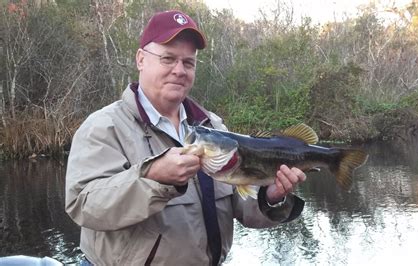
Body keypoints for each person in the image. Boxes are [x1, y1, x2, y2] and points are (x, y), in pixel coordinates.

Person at [65, 10, 307, 266]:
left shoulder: (212, 126)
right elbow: (83, 205)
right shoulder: (104, 127)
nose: (179, 70)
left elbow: (243, 206)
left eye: (188, 63)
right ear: (140, 59)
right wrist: (153, 177)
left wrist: (271, 196)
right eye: (168, 59)